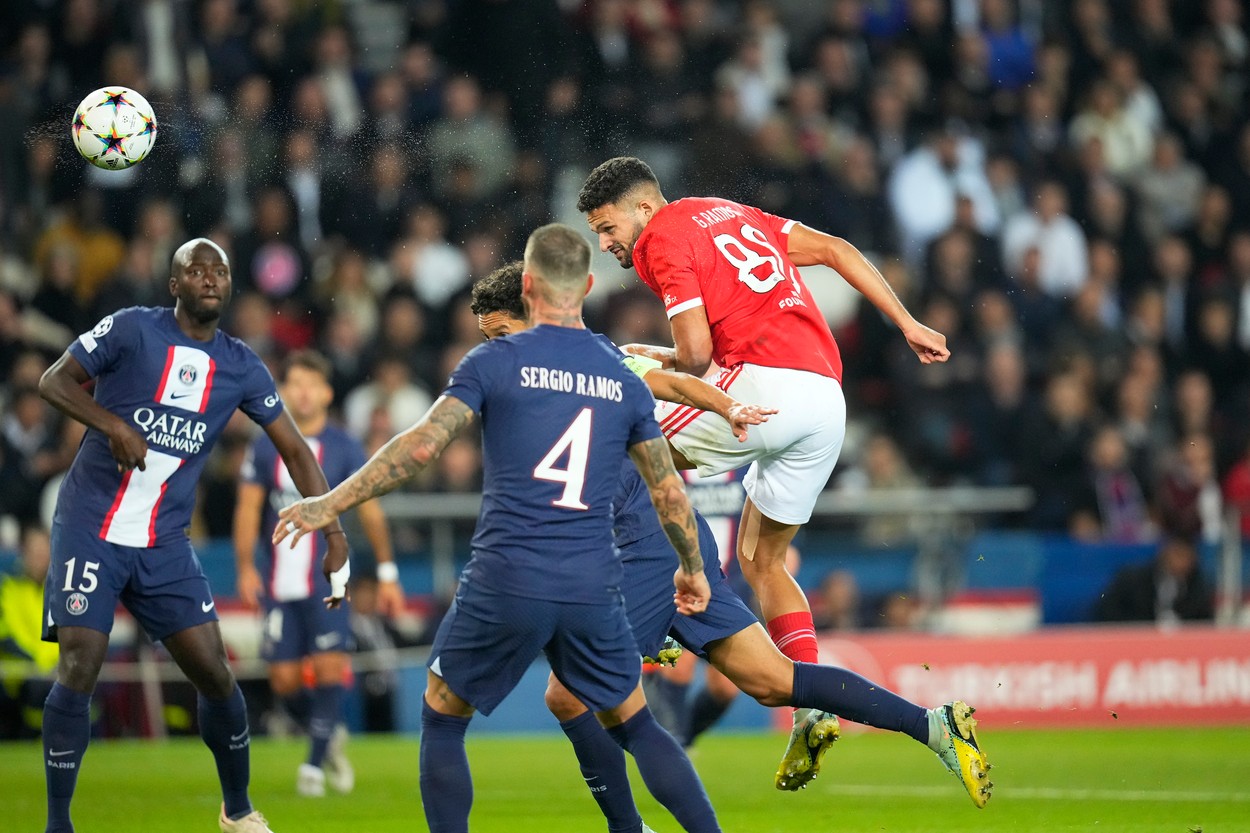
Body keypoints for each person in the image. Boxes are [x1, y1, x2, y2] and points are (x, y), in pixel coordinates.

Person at [470, 262, 993, 810]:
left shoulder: (586, 360)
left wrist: (724, 405)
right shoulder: (544, 377)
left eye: (501, 336)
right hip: (667, 545)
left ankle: (628, 827)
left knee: (567, 694)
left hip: (645, 549)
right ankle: (935, 726)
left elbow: (668, 382)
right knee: (772, 681)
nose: (495, 352)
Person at [275, 224, 724, 833]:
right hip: (593, 580)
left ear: (529, 286)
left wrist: (330, 502)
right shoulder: (622, 374)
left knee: (442, 713)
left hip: (508, 573)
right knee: (637, 721)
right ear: (588, 286)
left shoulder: (495, 358)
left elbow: (420, 447)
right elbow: (668, 489)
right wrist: (692, 569)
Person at [577, 156, 951, 780]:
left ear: (643, 208)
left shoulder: (662, 238)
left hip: (762, 389)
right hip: (826, 399)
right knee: (763, 562)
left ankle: (646, 609)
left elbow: (697, 355)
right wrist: (906, 321)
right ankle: (810, 715)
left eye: (607, 226)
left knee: (622, 441)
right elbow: (835, 250)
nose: (605, 242)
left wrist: (656, 363)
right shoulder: (732, 215)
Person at [36, 238, 348, 833]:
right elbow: (54, 381)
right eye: (195, 270)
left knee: (216, 674)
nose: (209, 278)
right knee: (80, 666)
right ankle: (58, 823)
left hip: (164, 542)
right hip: (91, 527)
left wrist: (332, 525)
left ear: (229, 286)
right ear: (174, 285)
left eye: (220, 271)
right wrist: (111, 425)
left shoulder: (242, 365)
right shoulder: (131, 330)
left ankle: (237, 810)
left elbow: (294, 449)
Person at [232, 349, 404, 797]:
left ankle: (312, 766)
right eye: (295, 384)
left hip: (329, 580)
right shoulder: (264, 444)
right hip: (278, 583)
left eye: (312, 384)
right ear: (285, 391)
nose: (303, 393)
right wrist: (246, 567)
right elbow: (248, 509)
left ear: (327, 393)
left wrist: (386, 572)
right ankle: (326, 736)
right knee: (284, 681)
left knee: (330, 669)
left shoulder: (345, 446)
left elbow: (371, 514)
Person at [0, 524, 59, 739]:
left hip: (56, 669)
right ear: (23, 553)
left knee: (85, 683)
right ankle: (33, 741)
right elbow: (6, 637)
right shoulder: (8, 589)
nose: (40, 559)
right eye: (34, 553)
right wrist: (37, 663)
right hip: (18, 671)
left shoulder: (59, 592)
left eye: (44, 553)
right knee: (38, 687)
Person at [1093, 535, 1214, 624]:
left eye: (1187, 558)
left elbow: (1204, 620)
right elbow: (1107, 609)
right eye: (1178, 555)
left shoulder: (1199, 585)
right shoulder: (1133, 579)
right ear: (1165, 553)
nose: (1182, 563)